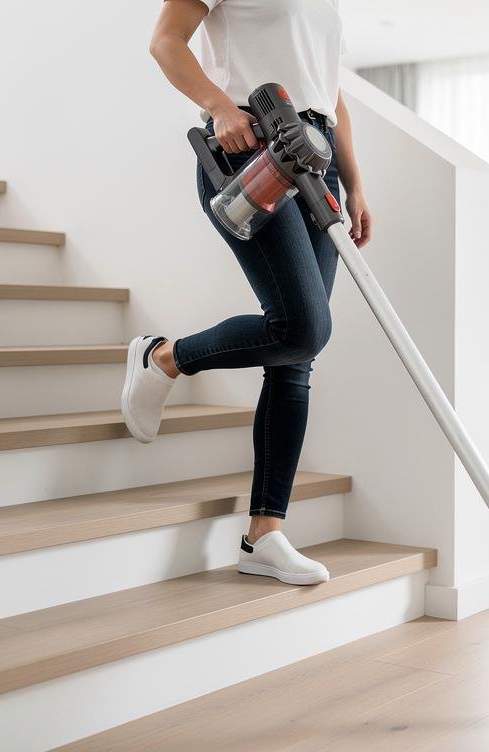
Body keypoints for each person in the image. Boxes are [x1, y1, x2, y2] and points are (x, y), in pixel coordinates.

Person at [122, 0, 372, 585]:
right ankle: (164, 357)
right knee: (303, 326)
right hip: (250, 148)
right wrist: (218, 104)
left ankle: (265, 534)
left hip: (317, 154)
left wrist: (356, 182)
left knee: (296, 351)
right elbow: (166, 41)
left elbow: (331, 95)